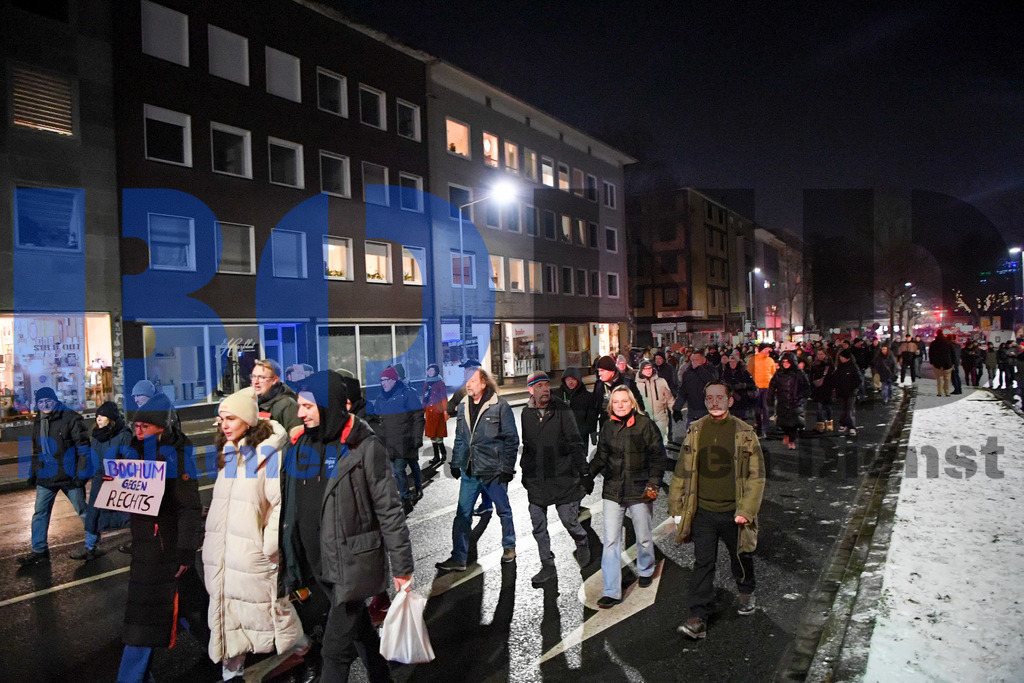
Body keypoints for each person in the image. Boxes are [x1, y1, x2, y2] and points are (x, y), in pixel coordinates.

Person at [278, 371, 413, 683]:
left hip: (353, 564)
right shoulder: (300, 445)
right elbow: (290, 504)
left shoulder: (364, 447)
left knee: (334, 652)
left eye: (307, 407)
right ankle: (382, 677)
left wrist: (402, 568)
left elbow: (389, 510)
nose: (300, 413)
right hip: (318, 565)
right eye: (299, 406)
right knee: (359, 630)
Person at [203, 389, 307, 681]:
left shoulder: (267, 458)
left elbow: (278, 507)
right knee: (228, 614)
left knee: (273, 611)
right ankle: (231, 670)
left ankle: (304, 652)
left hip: (250, 555)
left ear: (248, 421)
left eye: (231, 418)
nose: (224, 424)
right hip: (224, 555)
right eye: (221, 419)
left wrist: (268, 548)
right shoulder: (229, 453)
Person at [118, 392, 203, 682]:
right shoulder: (133, 452)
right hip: (146, 549)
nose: (138, 432)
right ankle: (225, 655)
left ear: (161, 428)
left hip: (166, 550)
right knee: (187, 609)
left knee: (146, 619)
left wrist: (185, 552)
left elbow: (189, 508)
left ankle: (228, 657)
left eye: (144, 427)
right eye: (135, 427)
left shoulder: (176, 458)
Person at [670, 381, 765, 639]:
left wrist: (746, 510)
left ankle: (746, 593)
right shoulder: (695, 431)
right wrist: (676, 507)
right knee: (703, 563)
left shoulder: (745, 432)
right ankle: (696, 618)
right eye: (709, 397)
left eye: (720, 397)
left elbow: (756, 477)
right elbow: (682, 471)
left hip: (735, 513)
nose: (714, 402)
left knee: (741, 557)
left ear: (729, 401)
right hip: (703, 512)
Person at [588, 385, 666, 608]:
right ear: (611, 405)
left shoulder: (645, 425)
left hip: (640, 490)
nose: (620, 405)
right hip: (613, 491)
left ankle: (646, 569)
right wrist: (587, 476)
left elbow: (658, 457)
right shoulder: (608, 427)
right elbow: (601, 457)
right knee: (611, 541)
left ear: (632, 403)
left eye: (624, 401)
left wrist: (653, 485)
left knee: (643, 535)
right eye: (616, 402)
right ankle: (612, 590)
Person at [436, 366, 520, 572]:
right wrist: (455, 462)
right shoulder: (463, 405)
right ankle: (459, 558)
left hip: (493, 470)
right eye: (467, 381)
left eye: (472, 380)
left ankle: (509, 546)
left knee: (504, 511)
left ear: (483, 383)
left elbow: (511, 440)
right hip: (470, 471)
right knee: (462, 515)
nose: (468, 384)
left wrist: (507, 468)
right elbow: (459, 437)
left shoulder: (499, 406)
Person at [519, 372, 592, 586]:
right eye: (539, 386)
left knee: (568, 520)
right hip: (537, 480)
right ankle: (547, 565)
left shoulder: (562, 409)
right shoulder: (526, 413)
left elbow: (575, 442)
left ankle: (582, 541)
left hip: (563, 477)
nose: (545, 389)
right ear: (531, 390)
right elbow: (528, 447)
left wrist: (584, 473)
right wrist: (525, 472)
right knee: (538, 525)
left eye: (546, 385)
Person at [18, 387, 90, 566]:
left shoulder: (70, 418)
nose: (45, 405)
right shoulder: (39, 419)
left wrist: (81, 474)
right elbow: (38, 449)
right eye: (41, 402)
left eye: (48, 401)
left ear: (55, 400)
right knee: (40, 513)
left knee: (82, 511)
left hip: (69, 475)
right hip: (46, 475)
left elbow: (83, 448)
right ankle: (39, 550)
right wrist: (33, 472)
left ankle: (92, 545)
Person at [73, 401, 133, 561]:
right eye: (97, 416)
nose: (98, 419)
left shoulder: (124, 435)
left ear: (111, 418)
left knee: (127, 513)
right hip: (100, 478)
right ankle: (90, 547)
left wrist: (119, 475)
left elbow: (129, 459)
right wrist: (83, 476)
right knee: (93, 513)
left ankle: (140, 540)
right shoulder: (97, 436)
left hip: (116, 480)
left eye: (102, 416)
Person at [367, 366, 426, 514]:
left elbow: (418, 417)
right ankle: (404, 495)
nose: (383, 383)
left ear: (394, 380)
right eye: (381, 380)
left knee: (402, 469)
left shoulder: (407, 393)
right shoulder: (380, 398)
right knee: (395, 471)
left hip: (405, 440)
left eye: (386, 380)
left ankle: (409, 495)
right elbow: (377, 418)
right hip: (389, 442)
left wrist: (416, 437)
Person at [250, 358, 304, 441]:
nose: (256, 382)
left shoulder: (287, 405)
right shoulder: (251, 403)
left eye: (261, 377)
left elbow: (295, 440)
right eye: (253, 376)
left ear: (274, 380)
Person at [767, 353, 810, 450]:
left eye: (787, 362)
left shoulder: (799, 374)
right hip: (782, 401)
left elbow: (806, 387)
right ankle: (787, 435)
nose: (785, 364)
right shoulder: (778, 374)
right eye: (783, 362)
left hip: (795, 402)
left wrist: (801, 398)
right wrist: (770, 398)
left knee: (794, 423)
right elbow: (772, 386)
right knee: (783, 422)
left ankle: (792, 440)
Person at [592, 355, 644, 431]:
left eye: (602, 371)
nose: (599, 374)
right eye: (599, 371)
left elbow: (639, 406)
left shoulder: (627, 384)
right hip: (606, 429)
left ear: (612, 371)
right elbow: (593, 408)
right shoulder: (599, 385)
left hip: (626, 428)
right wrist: (592, 429)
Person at [672, 351, 720, 429]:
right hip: (693, 413)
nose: (694, 362)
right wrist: (677, 409)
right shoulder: (687, 373)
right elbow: (683, 392)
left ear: (704, 360)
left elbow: (712, 382)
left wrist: (700, 368)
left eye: (697, 360)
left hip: (709, 411)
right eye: (693, 360)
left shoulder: (712, 370)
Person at [554, 366, 599, 447]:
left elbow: (591, 416)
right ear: (564, 380)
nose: (570, 382)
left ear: (578, 380)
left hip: (580, 437)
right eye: (568, 379)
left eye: (573, 379)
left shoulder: (587, 397)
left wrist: (592, 431)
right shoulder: (557, 395)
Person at [635, 359, 672, 442]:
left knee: (661, 442)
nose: (648, 371)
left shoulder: (661, 382)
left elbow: (669, 398)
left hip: (661, 417)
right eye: (645, 369)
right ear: (641, 370)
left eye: (650, 368)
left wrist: (675, 410)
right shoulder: (637, 385)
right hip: (645, 419)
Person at [747, 344, 778, 437]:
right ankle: (758, 426)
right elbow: (749, 373)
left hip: (767, 387)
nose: (767, 351)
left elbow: (773, 374)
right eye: (765, 349)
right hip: (756, 387)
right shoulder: (753, 360)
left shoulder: (770, 361)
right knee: (757, 408)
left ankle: (765, 429)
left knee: (765, 408)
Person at [422, 363, 449, 465]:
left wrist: (445, 410)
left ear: (436, 372)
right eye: (429, 370)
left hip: (438, 412)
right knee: (432, 435)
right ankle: (436, 456)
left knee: (439, 435)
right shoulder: (426, 382)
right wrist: (424, 407)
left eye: (432, 370)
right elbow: (425, 396)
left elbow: (443, 397)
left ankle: (443, 453)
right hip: (429, 411)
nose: (430, 372)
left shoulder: (440, 382)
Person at [720, 351, 757, 421]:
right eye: (730, 362)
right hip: (730, 399)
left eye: (734, 362)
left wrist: (743, 385)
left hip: (742, 399)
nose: (732, 363)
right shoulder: (726, 372)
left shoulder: (743, 372)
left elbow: (752, 384)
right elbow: (723, 383)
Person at [833, 350, 862, 436]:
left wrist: (852, 388)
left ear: (847, 358)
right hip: (841, 392)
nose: (841, 358)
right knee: (842, 409)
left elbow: (859, 380)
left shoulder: (853, 367)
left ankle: (852, 427)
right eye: (840, 357)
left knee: (849, 410)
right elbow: (836, 377)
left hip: (850, 393)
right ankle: (843, 424)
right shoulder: (840, 366)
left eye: (842, 357)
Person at [808, 349, 835, 432]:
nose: (820, 356)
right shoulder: (814, 364)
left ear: (825, 354)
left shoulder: (829, 364)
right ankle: (821, 425)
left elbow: (833, 377)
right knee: (819, 408)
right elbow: (811, 376)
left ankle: (829, 425)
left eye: (821, 354)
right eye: (818, 354)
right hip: (818, 389)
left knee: (827, 407)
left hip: (827, 388)